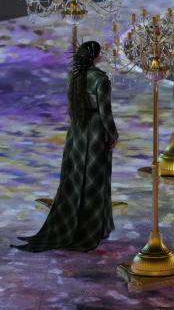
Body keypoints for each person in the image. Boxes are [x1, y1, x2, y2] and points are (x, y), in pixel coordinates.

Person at [15, 41, 117, 252]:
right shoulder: (101, 79)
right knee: (95, 179)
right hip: (96, 132)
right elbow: (105, 112)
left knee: (74, 176)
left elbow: (73, 106)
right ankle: (91, 229)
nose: (102, 55)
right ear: (95, 56)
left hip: (77, 130)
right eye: (100, 52)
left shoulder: (73, 75)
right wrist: (113, 135)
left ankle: (75, 225)